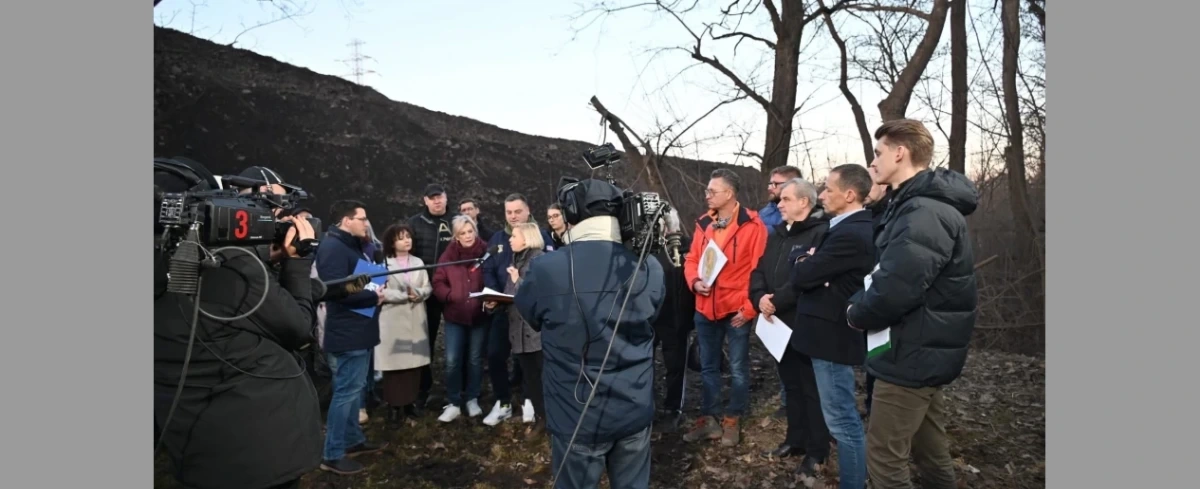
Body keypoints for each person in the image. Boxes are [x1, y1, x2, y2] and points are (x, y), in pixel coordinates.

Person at [153, 159, 322, 489]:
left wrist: (264, 259)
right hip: (259, 452)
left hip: (194, 447)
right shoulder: (233, 268)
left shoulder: (167, 266)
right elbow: (298, 328)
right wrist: (297, 265)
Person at [847, 119, 979, 489]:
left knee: (885, 458)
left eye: (878, 153)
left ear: (900, 153)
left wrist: (855, 312)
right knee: (929, 450)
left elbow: (896, 287)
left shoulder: (923, 211)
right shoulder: (911, 204)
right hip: (921, 348)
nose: (872, 163)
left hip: (912, 352)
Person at [515, 178, 666, 489]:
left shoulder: (546, 268)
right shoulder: (649, 266)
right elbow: (654, 315)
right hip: (634, 411)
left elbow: (530, 314)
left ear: (570, 214)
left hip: (575, 414)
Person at [787, 164, 878, 489]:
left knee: (842, 421)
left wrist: (803, 261)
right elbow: (806, 269)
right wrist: (806, 260)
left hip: (832, 338)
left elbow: (801, 274)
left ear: (850, 194)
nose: (821, 195)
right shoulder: (840, 227)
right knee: (838, 416)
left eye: (827, 189)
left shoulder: (853, 233)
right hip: (822, 336)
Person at [682, 168, 768, 447]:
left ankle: (733, 417)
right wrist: (694, 282)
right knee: (708, 367)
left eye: (712, 191)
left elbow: (759, 271)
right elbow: (692, 259)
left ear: (729, 194)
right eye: (707, 191)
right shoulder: (703, 223)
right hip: (705, 308)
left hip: (736, 310)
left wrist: (749, 309)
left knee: (739, 368)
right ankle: (709, 418)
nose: (706, 195)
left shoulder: (753, 226)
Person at [748, 177, 830, 467]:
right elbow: (758, 270)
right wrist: (758, 297)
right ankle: (795, 440)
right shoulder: (779, 234)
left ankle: (817, 449)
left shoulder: (821, 234)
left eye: (785, 199)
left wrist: (776, 300)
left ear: (804, 202)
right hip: (776, 324)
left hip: (804, 322)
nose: (778, 204)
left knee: (811, 388)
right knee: (791, 386)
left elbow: (810, 279)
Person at [314, 200, 389, 476]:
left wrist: (374, 283)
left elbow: (351, 283)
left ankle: (353, 440)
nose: (366, 223)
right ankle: (332, 454)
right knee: (345, 393)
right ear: (347, 221)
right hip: (348, 333)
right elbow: (332, 290)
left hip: (359, 330)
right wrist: (373, 294)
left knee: (353, 390)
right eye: (362, 218)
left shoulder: (350, 245)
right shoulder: (334, 247)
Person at [480, 193, 555, 427]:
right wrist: (493, 295)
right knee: (495, 354)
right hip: (505, 310)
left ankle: (530, 402)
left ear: (527, 211)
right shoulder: (498, 239)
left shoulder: (539, 240)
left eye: (517, 211)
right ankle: (503, 401)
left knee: (530, 363)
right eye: (508, 212)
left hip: (529, 317)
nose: (513, 216)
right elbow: (488, 269)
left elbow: (543, 283)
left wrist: (518, 285)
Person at [431, 215, 490, 423]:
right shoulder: (448, 256)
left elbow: (492, 277)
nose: (467, 236)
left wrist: (489, 297)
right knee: (452, 360)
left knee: (475, 359)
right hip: (455, 316)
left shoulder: (486, 252)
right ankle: (454, 401)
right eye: (462, 233)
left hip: (479, 315)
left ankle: (472, 398)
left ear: (475, 231)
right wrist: (449, 296)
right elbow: (437, 282)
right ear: (456, 236)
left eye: (470, 231)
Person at [757, 165, 804, 418]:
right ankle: (789, 401)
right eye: (771, 184)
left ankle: (796, 403)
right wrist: (760, 295)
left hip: (790, 300)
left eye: (777, 185)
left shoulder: (810, 224)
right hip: (769, 294)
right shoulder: (764, 215)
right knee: (780, 354)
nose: (771, 188)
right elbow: (760, 259)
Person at [375, 223, 433, 424]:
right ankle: (393, 407)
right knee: (394, 367)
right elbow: (380, 292)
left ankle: (409, 404)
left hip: (416, 317)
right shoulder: (383, 263)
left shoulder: (418, 261)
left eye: (408, 236)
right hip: (393, 320)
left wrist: (419, 294)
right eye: (401, 237)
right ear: (392, 242)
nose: (406, 240)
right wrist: (403, 296)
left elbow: (427, 287)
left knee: (413, 365)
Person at [407, 183, 455, 415]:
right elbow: (406, 255)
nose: (437, 201)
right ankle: (421, 391)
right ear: (425, 200)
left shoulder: (457, 222)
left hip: (453, 291)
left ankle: (458, 391)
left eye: (440, 197)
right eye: (432, 198)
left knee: (459, 342)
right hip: (426, 292)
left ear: (446, 198)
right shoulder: (415, 223)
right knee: (424, 342)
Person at [650, 208, 696, 433]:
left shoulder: (688, 246)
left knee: (675, 365)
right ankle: (647, 404)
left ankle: (673, 409)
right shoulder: (647, 249)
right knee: (644, 363)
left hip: (677, 316)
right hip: (650, 316)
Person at [501, 222, 548, 435]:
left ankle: (547, 420)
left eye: (514, 236)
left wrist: (516, 280)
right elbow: (511, 294)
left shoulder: (538, 260)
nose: (510, 239)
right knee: (531, 379)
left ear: (527, 238)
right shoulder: (516, 259)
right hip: (518, 331)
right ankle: (541, 417)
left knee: (541, 378)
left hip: (535, 332)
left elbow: (536, 294)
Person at [861, 178, 891, 417]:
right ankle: (871, 403)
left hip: (880, 293)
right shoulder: (866, 214)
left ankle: (876, 407)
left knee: (878, 352)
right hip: (862, 293)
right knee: (869, 354)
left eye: (870, 184)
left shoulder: (891, 214)